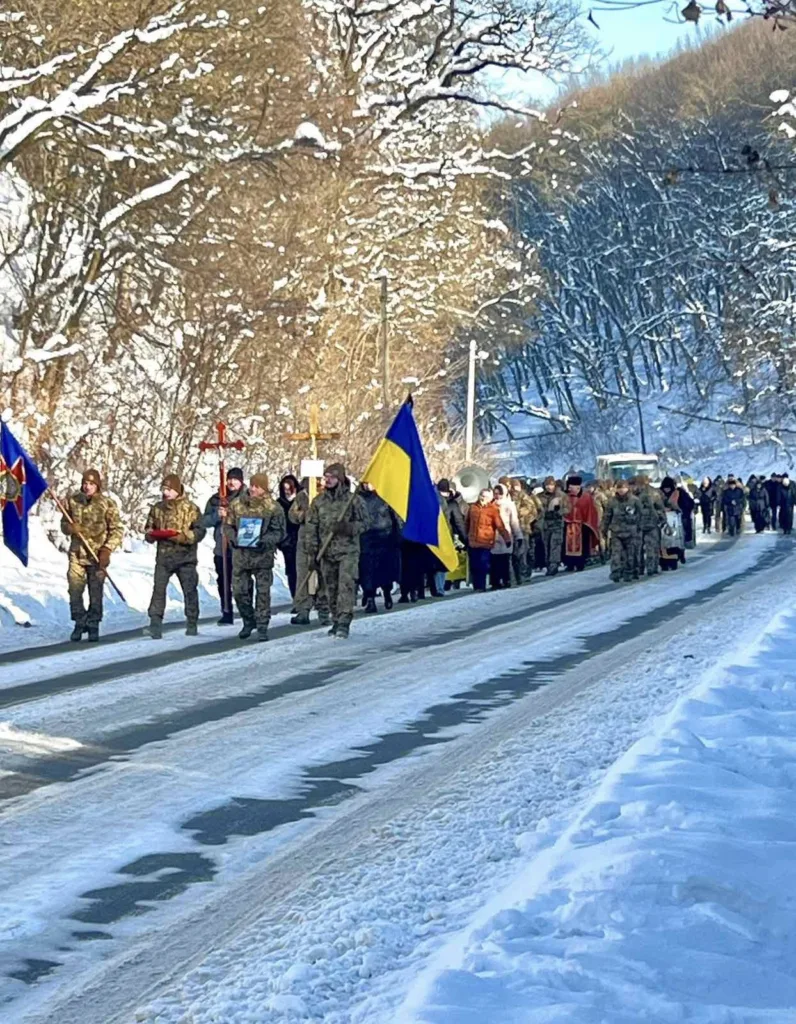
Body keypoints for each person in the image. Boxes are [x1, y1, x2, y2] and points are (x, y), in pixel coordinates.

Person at [60, 468, 124, 642]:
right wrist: (70, 528)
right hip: (77, 554)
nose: (87, 487)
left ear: (98, 486)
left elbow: (117, 530)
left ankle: (94, 622)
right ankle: (80, 622)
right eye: (85, 483)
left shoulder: (107, 504)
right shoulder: (73, 501)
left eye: (91, 484)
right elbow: (64, 524)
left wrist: (107, 549)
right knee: (75, 590)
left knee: (95, 591)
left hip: (97, 556)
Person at [305, 462, 366, 639]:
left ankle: (344, 621)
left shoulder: (353, 500)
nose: (328, 480)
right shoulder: (318, 502)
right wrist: (313, 553)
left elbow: (366, 523)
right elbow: (311, 528)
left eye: (331, 477)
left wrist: (348, 527)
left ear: (340, 479)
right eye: (326, 477)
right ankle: (336, 619)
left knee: (345, 586)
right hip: (326, 552)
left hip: (347, 552)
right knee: (330, 588)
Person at [224, 472, 286, 640]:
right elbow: (228, 526)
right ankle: (248, 619)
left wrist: (263, 540)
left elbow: (279, 532)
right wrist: (234, 538)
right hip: (241, 556)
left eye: (257, 486)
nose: (253, 489)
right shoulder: (237, 505)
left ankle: (262, 626)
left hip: (262, 557)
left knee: (263, 593)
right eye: (251, 485)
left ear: (264, 488)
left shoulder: (273, 508)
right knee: (239, 591)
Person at [145, 474, 206, 638]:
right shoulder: (157, 508)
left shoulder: (191, 508)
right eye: (164, 489)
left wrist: (184, 537)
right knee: (158, 590)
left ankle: (192, 621)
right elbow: (149, 528)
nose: (166, 493)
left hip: (185, 558)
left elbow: (200, 531)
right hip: (164, 557)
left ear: (177, 490)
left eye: (169, 489)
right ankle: (155, 623)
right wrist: (151, 535)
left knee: (189, 590)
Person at [200, 467, 246, 625]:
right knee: (223, 581)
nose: (232, 482)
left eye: (235, 479)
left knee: (242, 582)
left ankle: (247, 612)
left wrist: (232, 516)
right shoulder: (216, 499)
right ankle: (226, 611)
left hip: (241, 547)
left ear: (241, 481)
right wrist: (216, 516)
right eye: (229, 479)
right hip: (222, 547)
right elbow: (203, 521)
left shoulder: (247, 498)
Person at [289, 480, 330, 627]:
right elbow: (292, 515)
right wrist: (305, 514)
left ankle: (324, 611)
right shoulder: (301, 497)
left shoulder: (326, 496)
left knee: (324, 577)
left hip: (323, 541)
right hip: (304, 543)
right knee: (303, 577)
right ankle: (303, 611)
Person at [358, 482, 401, 612]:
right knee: (367, 571)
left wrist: (398, 534)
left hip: (384, 538)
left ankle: (386, 592)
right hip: (365, 538)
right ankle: (370, 598)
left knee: (384, 570)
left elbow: (395, 518)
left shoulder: (385, 498)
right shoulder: (357, 500)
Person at [465, 487, 510, 592]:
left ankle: (481, 586)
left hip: (485, 541)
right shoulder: (472, 508)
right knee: (474, 565)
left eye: (485, 496)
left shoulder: (493, 510)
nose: (482, 498)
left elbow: (500, 525)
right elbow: (467, 523)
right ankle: (477, 585)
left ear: (489, 499)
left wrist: (506, 538)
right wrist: (466, 536)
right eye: (481, 495)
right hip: (473, 541)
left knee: (482, 564)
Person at [601, 478, 642, 583]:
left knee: (630, 554)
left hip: (631, 532)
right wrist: (604, 529)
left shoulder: (635, 501)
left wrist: (639, 528)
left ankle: (629, 572)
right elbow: (607, 516)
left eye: (623, 488)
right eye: (619, 488)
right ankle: (616, 572)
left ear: (627, 488)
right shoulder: (612, 502)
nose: (621, 490)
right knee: (616, 554)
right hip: (616, 532)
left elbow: (641, 515)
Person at [562, 476, 600, 572]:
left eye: (571, 487)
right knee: (567, 545)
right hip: (568, 525)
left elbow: (591, 511)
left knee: (582, 545)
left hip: (583, 525)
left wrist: (587, 523)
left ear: (577, 487)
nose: (569, 489)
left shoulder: (586, 497)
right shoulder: (565, 497)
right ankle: (569, 564)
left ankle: (580, 563)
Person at [490, 484, 523, 589]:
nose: (497, 496)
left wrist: (518, 535)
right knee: (494, 560)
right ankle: (495, 581)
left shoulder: (509, 505)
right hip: (493, 535)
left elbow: (514, 521)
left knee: (505, 559)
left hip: (506, 534)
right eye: (495, 494)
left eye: (499, 493)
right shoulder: (491, 504)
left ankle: (506, 579)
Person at [509, 478, 540, 582]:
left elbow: (532, 510)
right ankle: (515, 574)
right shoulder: (507, 496)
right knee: (514, 554)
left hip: (523, 528)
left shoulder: (523, 496)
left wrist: (517, 513)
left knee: (523, 552)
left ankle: (524, 573)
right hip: (510, 529)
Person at [634, 475, 666, 577]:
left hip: (648, 524)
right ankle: (647, 568)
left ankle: (647, 568)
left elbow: (660, 508)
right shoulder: (634, 494)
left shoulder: (653, 493)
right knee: (645, 548)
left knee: (648, 548)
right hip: (642, 525)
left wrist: (661, 518)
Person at [277, 474, 302, 603]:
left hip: (302, 541)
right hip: (287, 543)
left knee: (303, 571)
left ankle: (306, 597)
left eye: (289, 489)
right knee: (292, 572)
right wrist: (281, 541)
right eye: (284, 489)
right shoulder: (279, 503)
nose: (287, 492)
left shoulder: (302, 501)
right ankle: (295, 598)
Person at [537, 476, 564, 575]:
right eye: (547, 485)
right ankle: (548, 564)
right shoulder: (539, 497)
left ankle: (554, 564)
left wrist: (557, 511)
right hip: (545, 524)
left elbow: (568, 509)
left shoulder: (561, 496)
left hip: (557, 524)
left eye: (551, 485)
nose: (549, 487)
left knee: (555, 545)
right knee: (546, 545)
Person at [659, 477, 686, 571]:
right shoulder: (658, 494)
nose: (666, 490)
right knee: (663, 541)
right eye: (665, 488)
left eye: (668, 488)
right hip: (662, 520)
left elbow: (685, 504)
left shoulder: (678, 493)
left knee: (675, 540)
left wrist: (678, 509)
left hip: (675, 519)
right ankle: (664, 560)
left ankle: (677, 556)